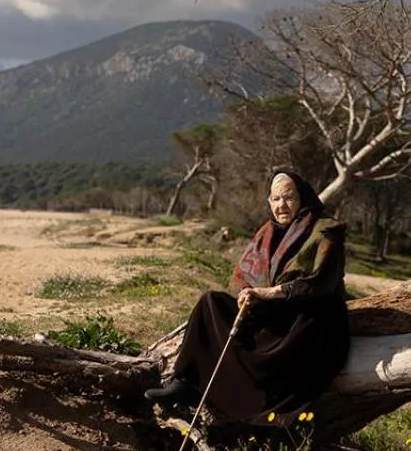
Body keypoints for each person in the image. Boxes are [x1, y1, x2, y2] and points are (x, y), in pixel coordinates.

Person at [147, 169, 349, 425]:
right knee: (211, 303)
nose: (281, 206)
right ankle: (186, 383)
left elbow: (321, 284)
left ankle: (261, 401)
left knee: (313, 317)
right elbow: (244, 275)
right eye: (275, 199)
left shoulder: (325, 230)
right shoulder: (266, 232)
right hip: (270, 311)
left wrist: (271, 292)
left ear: (303, 198)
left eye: (288, 198)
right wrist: (246, 293)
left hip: (306, 318)